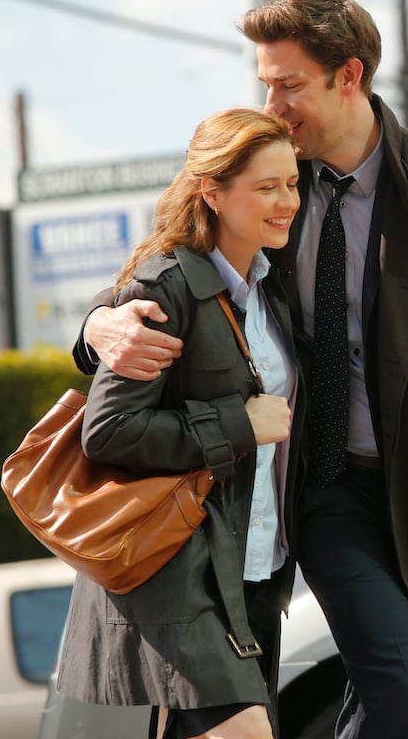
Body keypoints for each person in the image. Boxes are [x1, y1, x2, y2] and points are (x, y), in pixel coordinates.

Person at [74, 0, 408, 738]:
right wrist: (99, 321)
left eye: (288, 83)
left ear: (349, 77)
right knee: (397, 691)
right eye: (266, 81)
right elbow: (171, 262)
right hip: (323, 488)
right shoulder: (267, 187)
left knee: (393, 697)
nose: (273, 101)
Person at [58, 107, 304, 739]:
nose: (287, 202)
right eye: (267, 187)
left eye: (293, 183)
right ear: (212, 192)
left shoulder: (270, 283)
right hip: (184, 573)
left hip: (257, 570)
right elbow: (109, 431)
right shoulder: (165, 287)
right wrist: (237, 424)